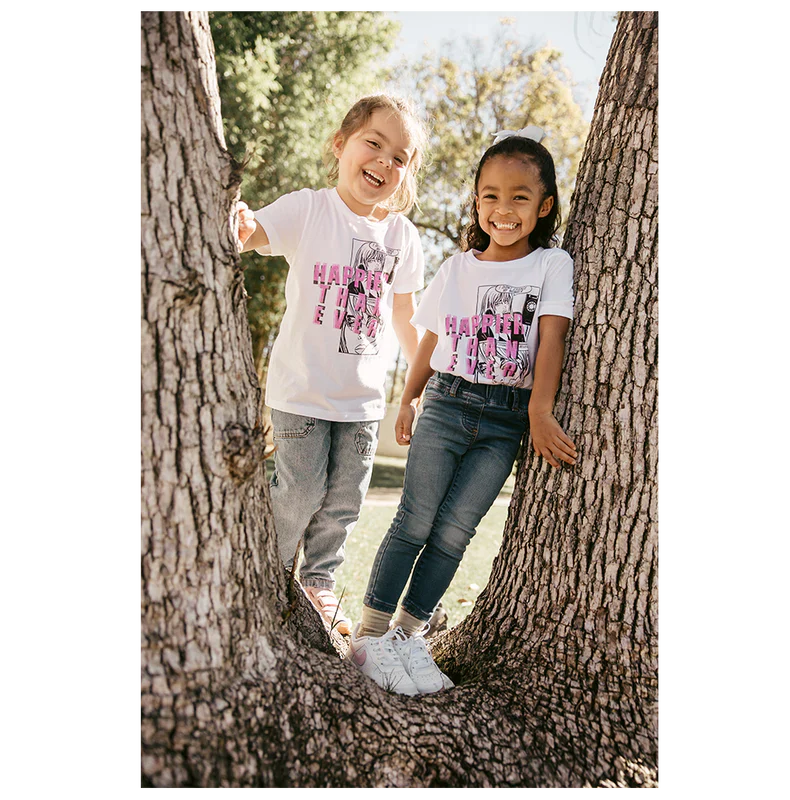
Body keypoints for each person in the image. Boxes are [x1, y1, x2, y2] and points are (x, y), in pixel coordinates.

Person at [347, 126, 578, 695]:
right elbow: (430, 338)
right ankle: (369, 636)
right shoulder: (456, 267)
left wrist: (540, 413)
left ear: (544, 206)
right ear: (476, 200)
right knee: (416, 519)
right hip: (448, 402)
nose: (503, 209)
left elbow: (551, 341)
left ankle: (406, 637)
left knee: (455, 531)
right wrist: (409, 396)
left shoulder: (551, 265)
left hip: (506, 419)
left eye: (520, 197)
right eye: (491, 195)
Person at [236, 94, 427, 635]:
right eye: (374, 143)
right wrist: (242, 220)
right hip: (301, 391)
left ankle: (318, 583)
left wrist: (417, 388)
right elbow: (254, 236)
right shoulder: (309, 208)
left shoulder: (402, 237)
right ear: (341, 145)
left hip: (362, 401)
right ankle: (268, 576)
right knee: (299, 493)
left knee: (344, 501)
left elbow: (405, 317)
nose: (385, 162)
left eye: (400, 157)